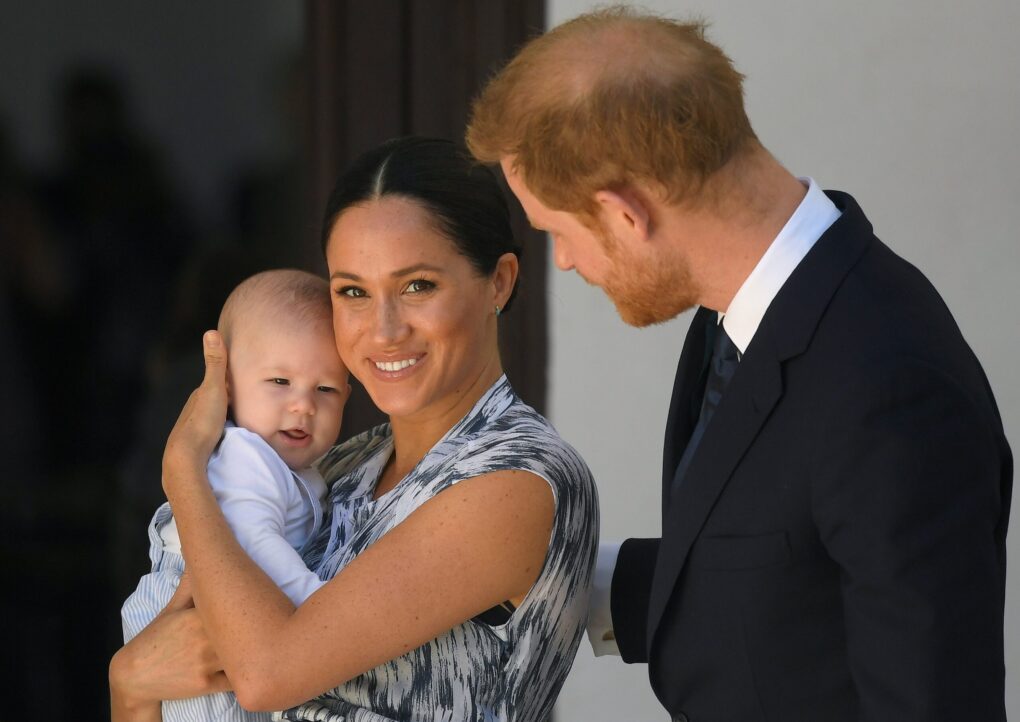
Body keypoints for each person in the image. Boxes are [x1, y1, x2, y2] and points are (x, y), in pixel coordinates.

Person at [466, 7, 1012, 721]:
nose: (564, 261)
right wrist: (537, 572)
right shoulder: (745, 311)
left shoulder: (891, 385)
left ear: (625, 213)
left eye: (558, 233)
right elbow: (778, 576)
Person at [109, 137, 599, 722]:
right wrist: (129, 683)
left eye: (418, 285)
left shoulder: (516, 477)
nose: (384, 330)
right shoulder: (337, 468)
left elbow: (265, 676)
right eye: (353, 292)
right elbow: (175, 685)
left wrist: (183, 470)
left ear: (499, 281)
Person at [120, 269, 349, 721]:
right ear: (224, 387)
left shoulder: (299, 468)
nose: (303, 404)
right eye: (280, 382)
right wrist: (322, 613)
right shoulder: (246, 456)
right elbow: (255, 543)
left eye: (325, 389)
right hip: (191, 615)